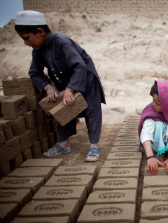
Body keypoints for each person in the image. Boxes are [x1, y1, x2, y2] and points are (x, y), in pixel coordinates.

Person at [15, 10, 106, 161]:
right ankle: (64, 144)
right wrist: (47, 86)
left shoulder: (61, 41)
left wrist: (70, 89)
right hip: (64, 83)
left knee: (92, 111)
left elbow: (80, 67)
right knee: (64, 109)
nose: (26, 43)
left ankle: (94, 146)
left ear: (40, 31)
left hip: (86, 80)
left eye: (27, 38)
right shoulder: (37, 50)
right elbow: (34, 72)